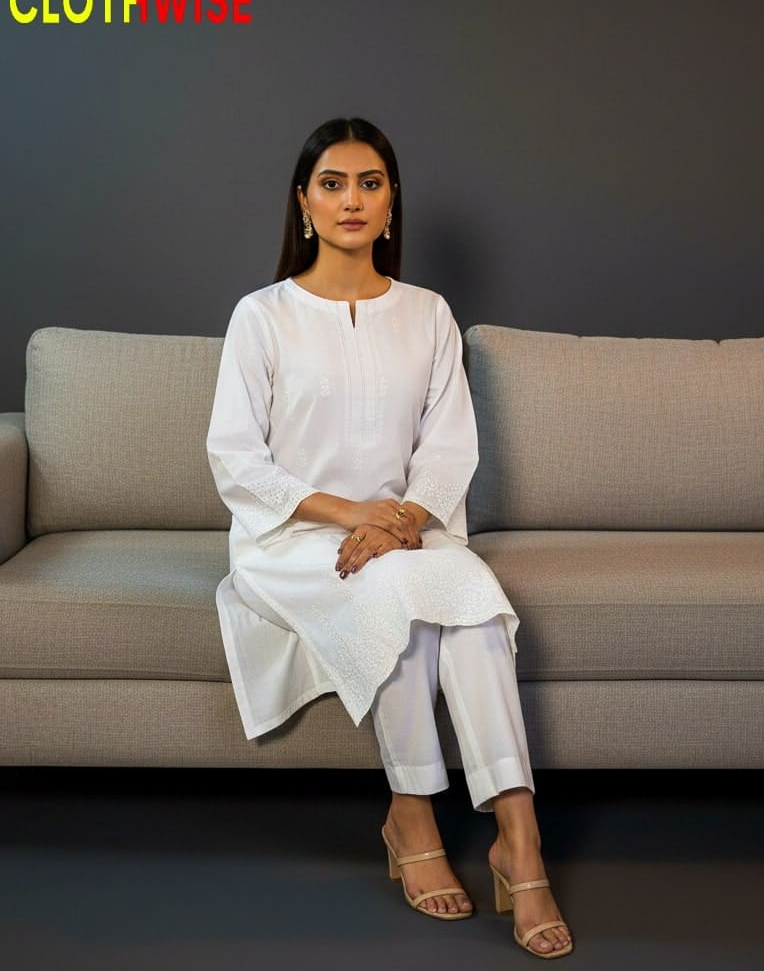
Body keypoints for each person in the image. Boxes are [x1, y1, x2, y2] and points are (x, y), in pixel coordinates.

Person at [206, 117, 573, 959]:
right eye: (332, 183)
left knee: (473, 595)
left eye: (369, 183)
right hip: (294, 539)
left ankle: (520, 842)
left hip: (408, 531)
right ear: (303, 202)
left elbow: (448, 447)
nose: (352, 200)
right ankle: (413, 818)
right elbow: (235, 458)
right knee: (402, 592)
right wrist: (352, 515)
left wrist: (403, 518)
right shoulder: (263, 316)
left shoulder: (428, 314)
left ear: (391, 200)